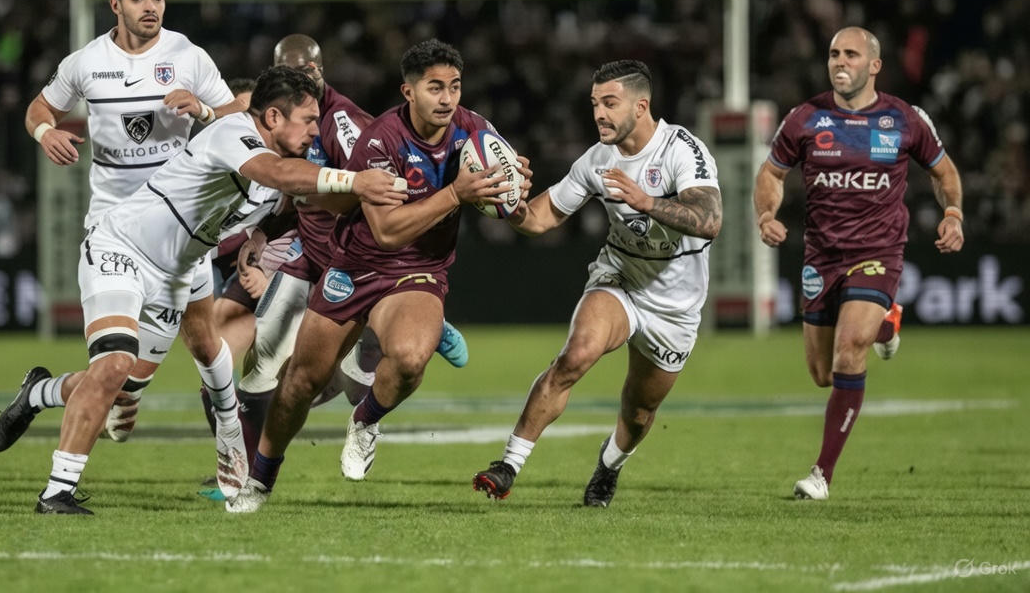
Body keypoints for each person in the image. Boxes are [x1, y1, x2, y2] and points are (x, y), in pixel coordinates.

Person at [27, 65, 406, 514]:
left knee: (208, 349)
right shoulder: (235, 134)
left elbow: (313, 198)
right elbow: (280, 174)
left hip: (182, 267)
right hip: (124, 248)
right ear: (271, 118)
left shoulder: (280, 173)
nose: (314, 129)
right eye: (306, 120)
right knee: (115, 366)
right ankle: (57, 491)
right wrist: (356, 180)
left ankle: (226, 438)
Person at [226, 39, 515, 513]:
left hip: (419, 271)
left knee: (409, 359)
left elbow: (507, 192)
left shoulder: (475, 130)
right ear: (409, 91)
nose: (447, 99)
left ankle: (365, 420)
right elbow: (384, 231)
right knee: (299, 383)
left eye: (455, 87)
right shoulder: (379, 138)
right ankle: (260, 480)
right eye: (435, 88)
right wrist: (458, 195)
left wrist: (512, 187)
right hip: (355, 265)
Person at [0, 0, 246, 451]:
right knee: (115, 369)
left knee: (199, 340)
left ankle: (227, 430)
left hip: (181, 227)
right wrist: (45, 132)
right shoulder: (87, 62)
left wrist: (203, 111)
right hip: (115, 230)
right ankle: (227, 434)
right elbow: (39, 107)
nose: (151, 7)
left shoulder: (188, 56)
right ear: (115, 5)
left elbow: (239, 115)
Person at [471, 59, 721, 508]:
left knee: (640, 410)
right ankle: (508, 465)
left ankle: (609, 466)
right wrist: (504, 201)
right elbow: (543, 216)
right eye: (594, 104)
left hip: (675, 307)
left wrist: (646, 201)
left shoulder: (682, 149)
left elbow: (710, 220)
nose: (599, 114)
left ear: (641, 106)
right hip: (620, 278)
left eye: (610, 103)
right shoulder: (597, 160)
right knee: (576, 355)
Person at [753, 26, 964, 500]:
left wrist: (953, 213)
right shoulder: (805, 119)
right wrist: (766, 213)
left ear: (874, 66)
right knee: (823, 373)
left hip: (877, 252)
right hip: (821, 255)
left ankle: (820, 474)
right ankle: (887, 326)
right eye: (833, 53)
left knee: (851, 346)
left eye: (850, 54)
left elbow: (944, 172)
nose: (839, 61)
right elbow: (771, 173)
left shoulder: (904, 118)